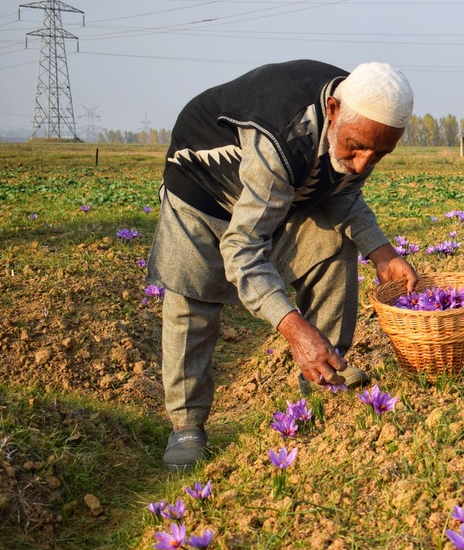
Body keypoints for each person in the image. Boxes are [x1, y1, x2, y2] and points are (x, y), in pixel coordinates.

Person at [145, 60, 418, 470]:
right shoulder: (281, 137)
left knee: (331, 243)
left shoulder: (361, 120)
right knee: (192, 301)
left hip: (276, 193)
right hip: (204, 192)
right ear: (332, 110)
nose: (364, 163)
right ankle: (187, 425)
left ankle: (323, 378)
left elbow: (341, 192)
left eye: (379, 153)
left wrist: (381, 251)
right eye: (356, 147)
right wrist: (294, 329)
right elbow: (242, 247)